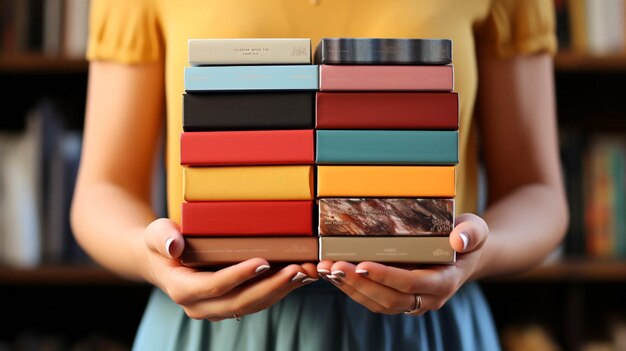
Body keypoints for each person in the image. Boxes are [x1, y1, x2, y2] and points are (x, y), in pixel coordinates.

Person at [70, 0, 568, 350]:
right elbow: (102, 190)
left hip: (425, 321)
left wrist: (473, 256)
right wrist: (152, 255)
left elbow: (537, 191)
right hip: (213, 327)